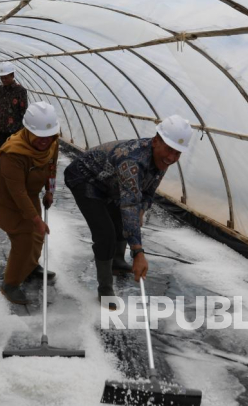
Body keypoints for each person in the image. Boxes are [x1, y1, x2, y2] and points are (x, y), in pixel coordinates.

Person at [64, 115, 193, 308]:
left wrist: (142, 209)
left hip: (109, 181)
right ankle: (105, 288)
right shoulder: (133, 161)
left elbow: (148, 192)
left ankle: (116, 262)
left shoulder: (161, 158)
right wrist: (138, 253)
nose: (172, 158)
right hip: (85, 178)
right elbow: (129, 204)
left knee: (125, 220)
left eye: (177, 154)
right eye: (169, 150)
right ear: (156, 141)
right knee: (105, 234)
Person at [0, 102, 60, 304]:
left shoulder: (52, 141)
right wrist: (36, 220)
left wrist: (50, 191)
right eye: (39, 137)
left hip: (30, 193)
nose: (45, 141)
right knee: (24, 238)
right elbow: (17, 192)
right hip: (4, 200)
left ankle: (31, 266)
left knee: (37, 237)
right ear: (27, 130)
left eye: (49, 136)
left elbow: (52, 167)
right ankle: (10, 284)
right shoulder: (13, 152)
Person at [0, 62, 28, 151]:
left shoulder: (20, 91)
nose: (3, 80)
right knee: (1, 154)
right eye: (1, 77)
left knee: (14, 155)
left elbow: (23, 111)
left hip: (15, 131)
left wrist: (22, 131)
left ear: (12, 75)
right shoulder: (0, 90)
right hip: (1, 129)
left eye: (6, 77)